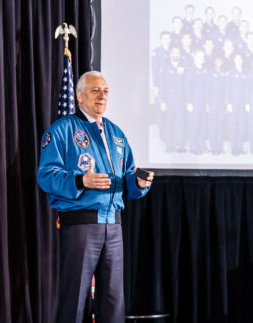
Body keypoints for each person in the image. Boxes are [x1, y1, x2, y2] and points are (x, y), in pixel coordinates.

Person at [37, 71, 154, 323]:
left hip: (113, 226)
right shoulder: (63, 130)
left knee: (113, 301)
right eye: (95, 90)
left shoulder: (116, 134)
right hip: (81, 226)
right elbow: (46, 176)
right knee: (75, 300)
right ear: (79, 97)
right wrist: (81, 180)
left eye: (106, 91)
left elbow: (128, 177)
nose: (102, 96)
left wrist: (139, 182)